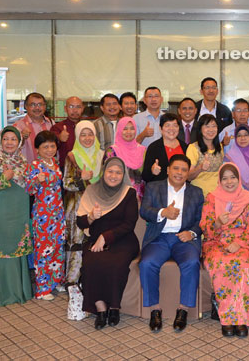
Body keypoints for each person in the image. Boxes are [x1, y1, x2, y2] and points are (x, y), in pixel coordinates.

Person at [200, 163, 249, 337]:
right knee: (222, 263)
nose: (229, 181)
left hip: (242, 243)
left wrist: (239, 243)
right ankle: (229, 319)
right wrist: (218, 223)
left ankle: (241, 318)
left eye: (233, 177)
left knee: (243, 264)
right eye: (225, 178)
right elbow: (205, 229)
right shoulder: (212, 198)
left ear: (239, 178)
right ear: (220, 180)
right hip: (216, 242)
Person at [139, 154, 204, 332]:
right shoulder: (153, 187)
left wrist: (191, 233)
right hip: (159, 238)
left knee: (191, 262)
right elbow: (144, 211)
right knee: (146, 263)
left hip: (183, 239)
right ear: (168, 170)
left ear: (188, 173)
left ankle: (183, 310)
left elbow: (201, 221)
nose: (179, 173)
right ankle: (155, 309)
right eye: (176, 168)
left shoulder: (196, 192)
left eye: (184, 170)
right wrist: (163, 212)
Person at [77, 157, 140, 329]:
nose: (113, 175)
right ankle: (100, 308)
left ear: (123, 175)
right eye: (110, 171)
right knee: (91, 263)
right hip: (95, 239)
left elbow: (129, 224)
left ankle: (114, 307)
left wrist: (105, 237)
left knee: (116, 264)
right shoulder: (91, 190)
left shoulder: (129, 193)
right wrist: (91, 217)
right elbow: (80, 222)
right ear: (103, 172)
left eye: (118, 172)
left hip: (123, 240)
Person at [0, 126, 32, 306]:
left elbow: (30, 188)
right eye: (6, 139)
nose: (9, 142)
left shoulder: (24, 162)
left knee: (19, 250)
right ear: (0, 141)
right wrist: (5, 178)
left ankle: (21, 292)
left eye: (13, 139)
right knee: (4, 250)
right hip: (1, 214)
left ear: (19, 143)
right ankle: (7, 294)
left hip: (20, 213)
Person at [62, 120, 104, 284]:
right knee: (76, 243)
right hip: (77, 206)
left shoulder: (102, 154)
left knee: (95, 241)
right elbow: (66, 183)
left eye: (90, 134)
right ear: (77, 137)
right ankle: (72, 282)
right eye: (83, 135)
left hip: (98, 205)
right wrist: (81, 178)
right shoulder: (72, 156)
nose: (87, 138)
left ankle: (91, 280)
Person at [25, 131, 65, 300]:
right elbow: (29, 190)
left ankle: (56, 281)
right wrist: (37, 180)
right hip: (42, 213)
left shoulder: (55, 163)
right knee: (43, 249)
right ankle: (43, 288)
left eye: (52, 146)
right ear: (37, 149)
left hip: (58, 211)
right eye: (45, 147)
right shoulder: (34, 165)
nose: (49, 149)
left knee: (58, 246)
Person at [105, 117, 146, 200]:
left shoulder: (143, 150)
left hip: (141, 196)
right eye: (125, 129)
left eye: (132, 128)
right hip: (118, 196)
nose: (128, 132)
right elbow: (108, 177)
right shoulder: (112, 151)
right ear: (119, 130)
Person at [142, 113, 188, 183]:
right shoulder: (153, 148)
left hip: (181, 189)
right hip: (159, 190)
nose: (171, 129)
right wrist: (152, 171)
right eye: (167, 125)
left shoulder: (185, 147)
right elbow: (145, 176)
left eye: (175, 125)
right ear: (160, 129)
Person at [186, 114, 224, 196]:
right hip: (200, 194)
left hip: (218, 194)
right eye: (207, 126)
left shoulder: (219, 146)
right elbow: (188, 176)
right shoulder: (193, 148)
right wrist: (200, 168)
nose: (211, 129)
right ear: (200, 129)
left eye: (214, 126)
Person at [14, 92, 54, 163]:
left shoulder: (51, 124)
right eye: (33, 104)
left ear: (44, 106)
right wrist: (21, 138)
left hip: (49, 170)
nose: (37, 108)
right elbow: (12, 150)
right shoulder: (18, 126)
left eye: (40, 104)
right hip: (27, 171)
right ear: (26, 106)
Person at [50, 96, 83, 171]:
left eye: (78, 107)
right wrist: (59, 138)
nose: (75, 110)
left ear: (82, 109)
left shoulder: (87, 127)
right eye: (71, 106)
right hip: (64, 169)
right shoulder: (57, 128)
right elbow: (50, 150)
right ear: (65, 109)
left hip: (85, 167)